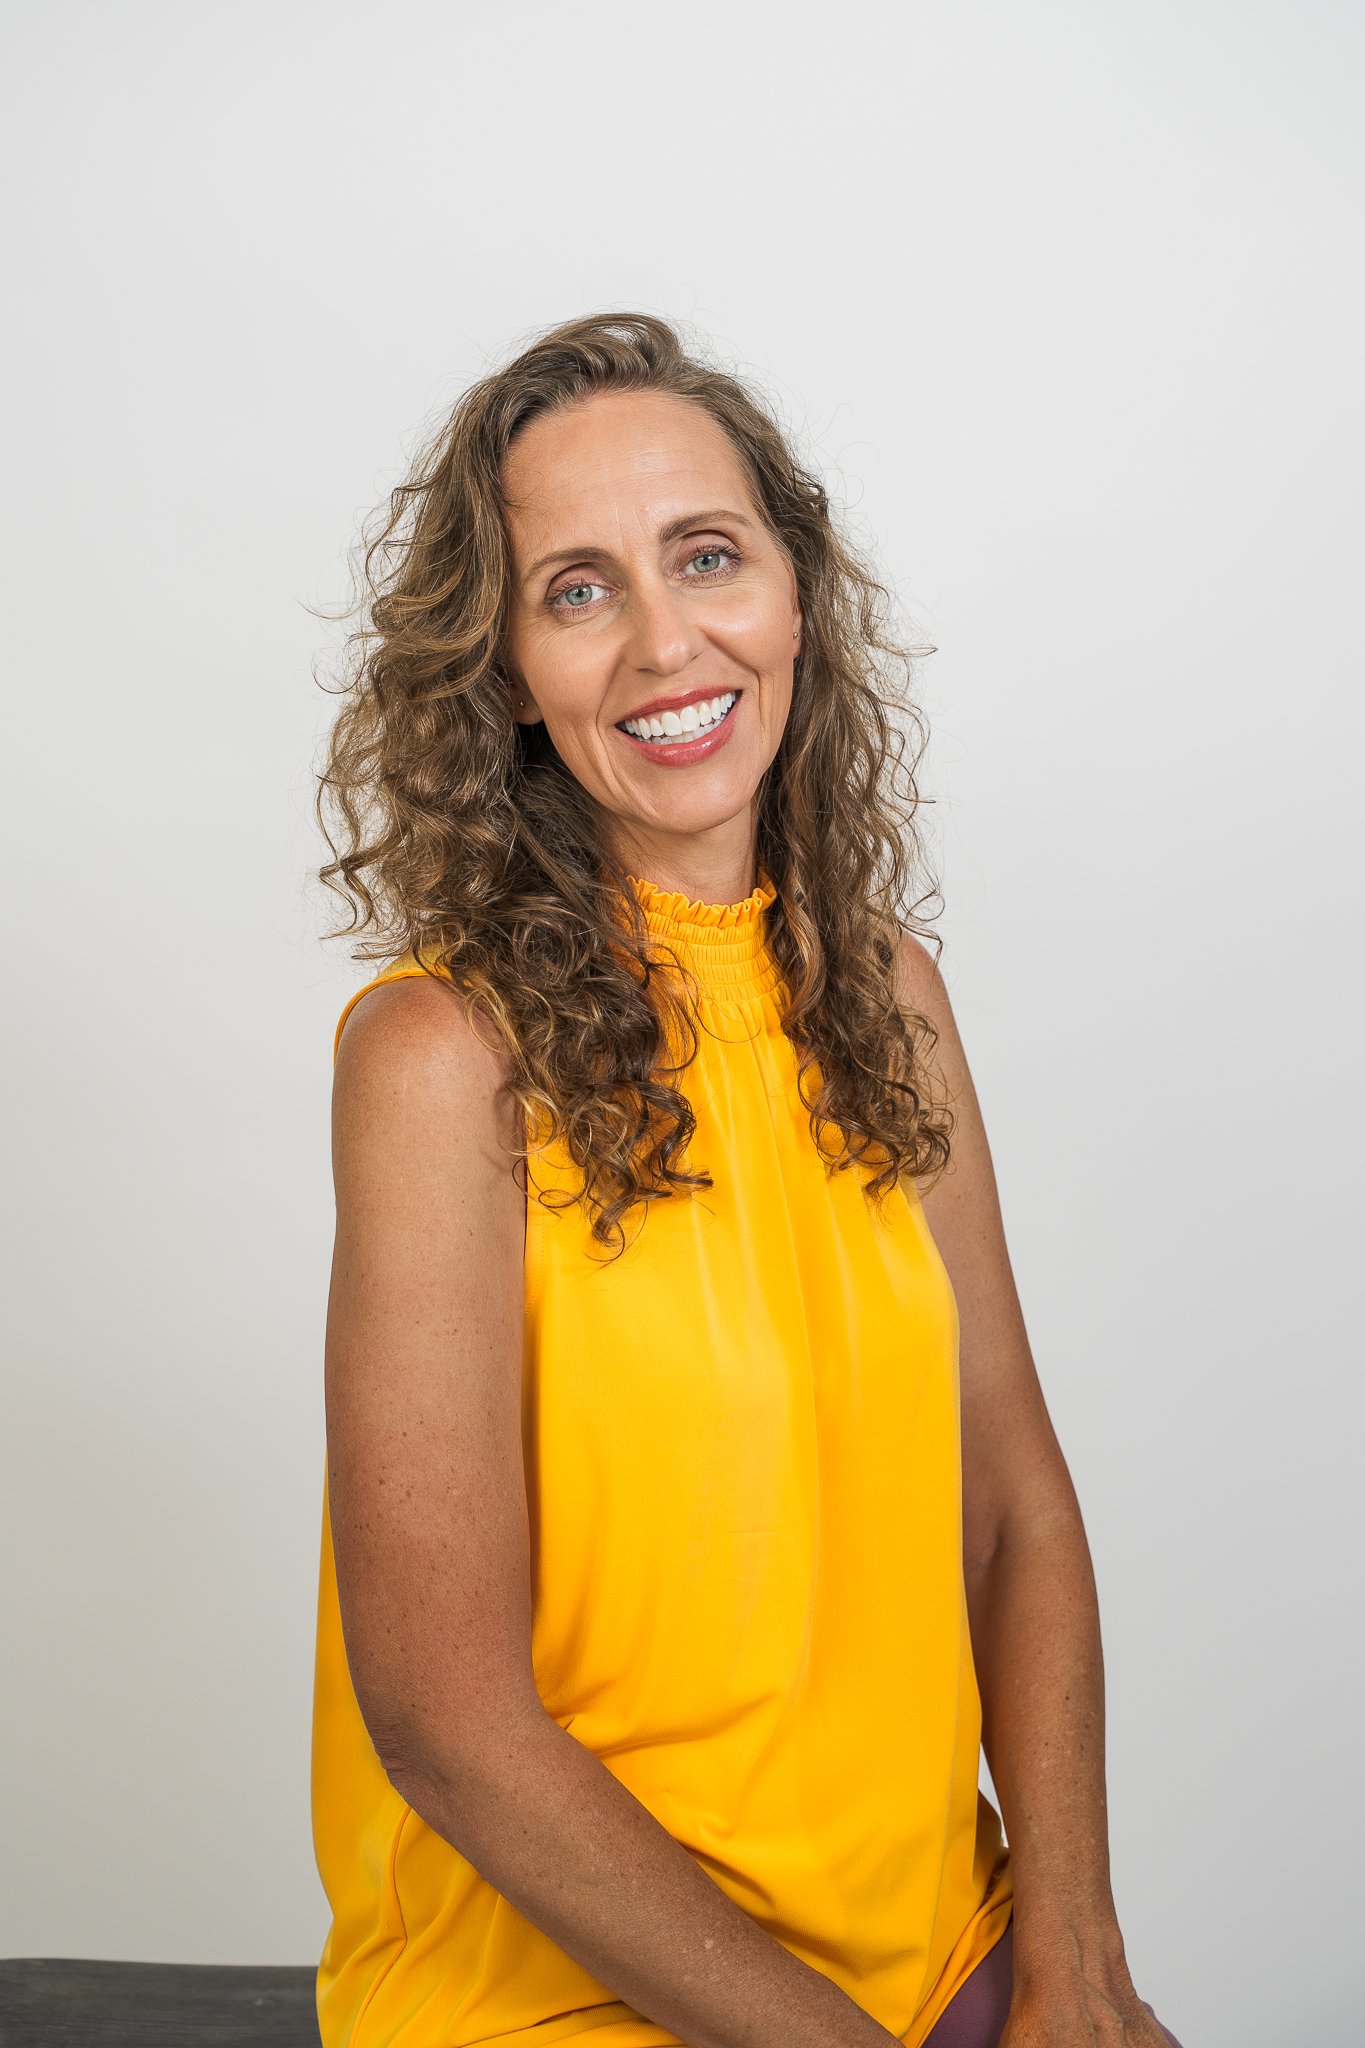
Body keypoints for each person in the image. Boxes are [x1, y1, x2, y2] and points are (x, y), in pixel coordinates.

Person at [310, 311, 1185, 2048]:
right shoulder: (440, 1057)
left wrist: (1076, 1959)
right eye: (576, 590)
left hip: (934, 1947)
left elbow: (1010, 1509)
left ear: (793, 593)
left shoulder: (886, 996)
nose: (664, 640)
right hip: (565, 1992)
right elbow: (442, 1719)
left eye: (705, 555)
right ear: (503, 670)